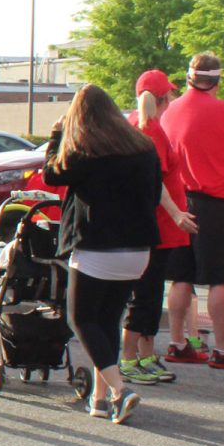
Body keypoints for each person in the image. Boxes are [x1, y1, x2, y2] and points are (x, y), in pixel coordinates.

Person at [42, 85, 163, 423]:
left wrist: (56, 135)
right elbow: (154, 195)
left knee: (80, 319)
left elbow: (51, 174)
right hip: (138, 249)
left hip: (97, 246)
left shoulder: (84, 149)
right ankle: (100, 398)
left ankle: (120, 389)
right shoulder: (143, 146)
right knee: (106, 320)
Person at [158, 52, 224, 371]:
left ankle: (177, 342)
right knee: (220, 279)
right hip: (218, 203)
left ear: (189, 77)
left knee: (181, 276)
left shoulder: (170, 111)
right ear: (218, 79)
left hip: (178, 203)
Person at [119, 70, 198, 385]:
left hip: (156, 225)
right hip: (157, 226)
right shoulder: (149, 130)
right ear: (165, 98)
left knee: (150, 293)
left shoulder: (142, 125)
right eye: (172, 94)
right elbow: (156, 181)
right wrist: (178, 213)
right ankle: (128, 357)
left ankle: (146, 354)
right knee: (146, 294)